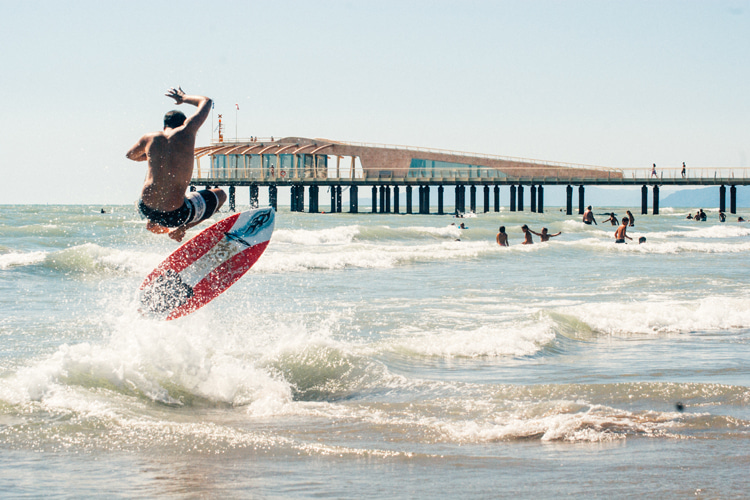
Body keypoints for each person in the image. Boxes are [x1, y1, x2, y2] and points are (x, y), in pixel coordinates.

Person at [127, 87, 226, 242]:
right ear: (183, 123)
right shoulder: (187, 131)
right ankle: (180, 231)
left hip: (145, 208)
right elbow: (206, 101)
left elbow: (130, 155)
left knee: (155, 172)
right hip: (175, 215)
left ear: (164, 126)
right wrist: (183, 98)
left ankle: (152, 221)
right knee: (220, 195)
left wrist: (154, 156)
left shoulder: (149, 138)